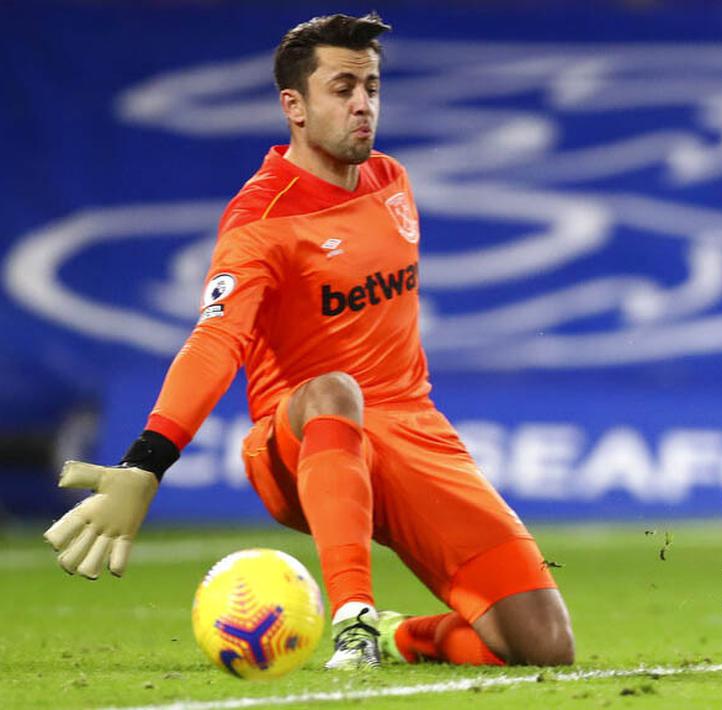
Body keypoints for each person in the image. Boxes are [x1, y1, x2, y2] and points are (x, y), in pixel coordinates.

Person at [41, 12, 574, 671]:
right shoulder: (261, 219)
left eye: (371, 87)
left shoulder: (392, 181)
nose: (362, 104)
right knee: (334, 389)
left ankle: (398, 636)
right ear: (294, 106)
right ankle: (354, 621)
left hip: (412, 434)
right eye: (342, 88)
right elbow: (216, 342)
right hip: (299, 442)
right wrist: (146, 461)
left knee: (542, 645)